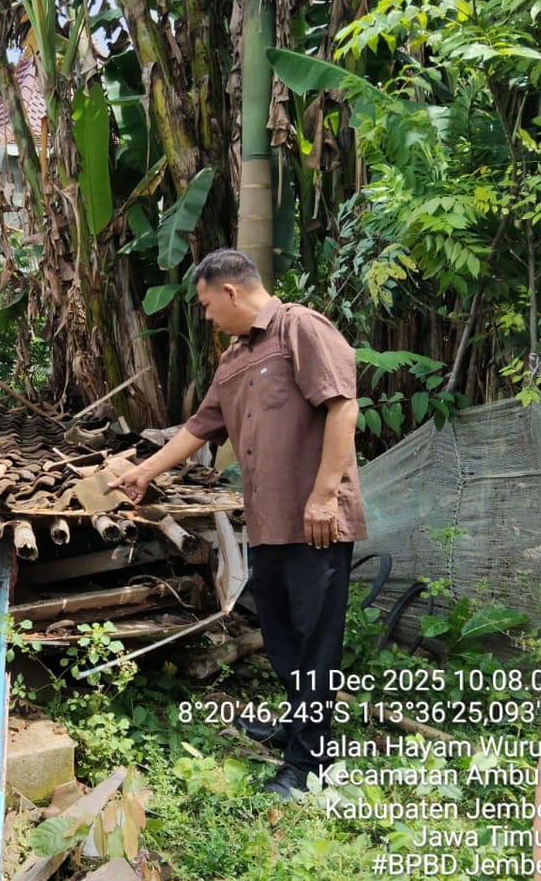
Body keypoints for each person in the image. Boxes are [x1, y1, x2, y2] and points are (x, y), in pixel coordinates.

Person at [109, 248, 367, 798]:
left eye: (205, 305)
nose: (204, 316)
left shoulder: (299, 328)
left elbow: (343, 408)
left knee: (314, 641)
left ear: (230, 292)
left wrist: (324, 496)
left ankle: (306, 768)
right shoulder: (233, 361)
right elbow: (199, 428)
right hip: (268, 522)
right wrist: (142, 472)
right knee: (279, 638)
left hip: (315, 523)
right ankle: (305, 732)